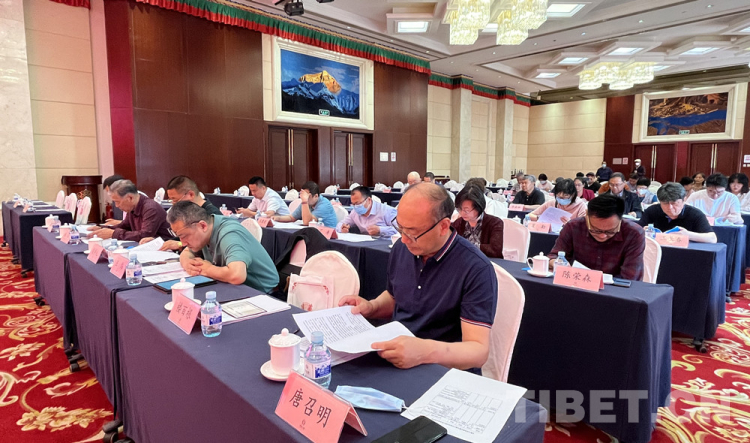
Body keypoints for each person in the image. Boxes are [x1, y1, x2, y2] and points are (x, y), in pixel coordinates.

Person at [338, 183, 497, 370]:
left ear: (443, 226)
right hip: (396, 356)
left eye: (413, 233)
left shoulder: (476, 268)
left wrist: (425, 352)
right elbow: (395, 297)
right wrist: (372, 307)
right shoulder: (402, 248)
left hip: (442, 369)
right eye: (401, 229)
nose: (404, 239)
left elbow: (478, 351)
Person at [168, 201, 278, 292]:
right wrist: (188, 264)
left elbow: (237, 275)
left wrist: (207, 269)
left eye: (184, 236)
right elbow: (186, 253)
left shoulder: (229, 233)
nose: (182, 243)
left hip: (264, 293)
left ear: (202, 225)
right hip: (235, 288)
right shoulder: (205, 231)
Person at [548, 194, 645, 280]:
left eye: (610, 231)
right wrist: (556, 263)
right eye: (595, 230)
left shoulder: (634, 233)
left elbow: (631, 277)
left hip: (615, 290)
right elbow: (554, 256)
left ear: (620, 219)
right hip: (578, 284)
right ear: (586, 215)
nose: (602, 236)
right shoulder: (573, 227)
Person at [139, 175, 222, 250]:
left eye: (175, 200)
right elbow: (181, 238)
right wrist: (161, 242)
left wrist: (180, 244)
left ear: (191, 194)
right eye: (171, 200)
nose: (173, 204)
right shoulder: (188, 211)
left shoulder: (213, 215)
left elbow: (209, 244)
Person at [88, 180, 171, 241]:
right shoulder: (133, 207)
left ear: (130, 198)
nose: (116, 206)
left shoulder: (150, 208)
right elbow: (125, 226)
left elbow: (144, 235)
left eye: (117, 201)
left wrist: (113, 234)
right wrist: (102, 229)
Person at [638, 183, 716, 243]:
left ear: (684, 200)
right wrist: (642, 231)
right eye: (665, 203)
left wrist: (688, 235)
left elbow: (712, 238)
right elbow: (636, 230)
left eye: (674, 203)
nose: (670, 207)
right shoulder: (652, 210)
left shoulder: (695, 214)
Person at [451, 185, 504, 258]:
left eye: (466, 210)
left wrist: (467, 246)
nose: (462, 213)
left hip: (487, 262)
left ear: (478, 207)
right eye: (459, 209)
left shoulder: (495, 223)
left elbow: (495, 250)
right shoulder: (458, 223)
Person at [273, 181, 337, 227]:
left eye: (307, 196)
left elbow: (308, 222)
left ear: (316, 196)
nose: (304, 198)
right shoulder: (306, 202)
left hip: (329, 236)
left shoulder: (324, 205)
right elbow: (292, 218)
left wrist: (304, 201)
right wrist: (276, 218)